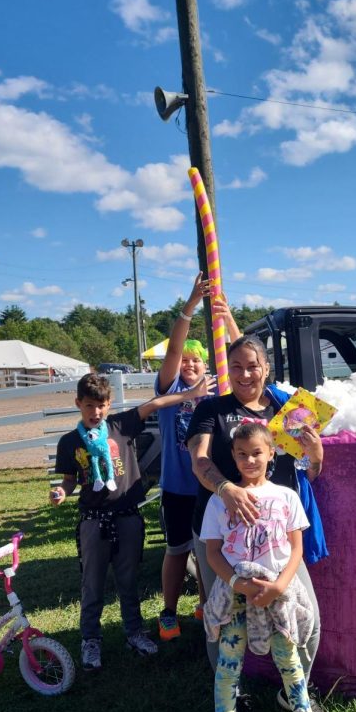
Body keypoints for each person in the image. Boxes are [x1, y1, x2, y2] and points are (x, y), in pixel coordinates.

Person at [187, 334, 327, 712]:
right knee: (223, 620)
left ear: (266, 368)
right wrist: (224, 488)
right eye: (237, 367)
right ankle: (236, 696)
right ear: (227, 371)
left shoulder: (291, 407)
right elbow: (199, 458)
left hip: (277, 538)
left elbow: (310, 470)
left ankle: (293, 691)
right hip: (221, 535)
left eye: (253, 366)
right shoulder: (212, 409)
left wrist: (316, 453)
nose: (245, 374)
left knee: (308, 617)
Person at [200, 423, 338, 712]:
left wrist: (278, 585)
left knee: (291, 663)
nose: (249, 460)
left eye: (256, 453)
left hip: (278, 598)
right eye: (242, 454)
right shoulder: (219, 502)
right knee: (229, 669)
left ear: (271, 452)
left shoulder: (287, 497)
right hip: (235, 599)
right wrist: (237, 583)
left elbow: (295, 549)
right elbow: (213, 553)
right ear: (232, 456)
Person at [51, 372, 189, 672]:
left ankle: (134, 632)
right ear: (78, 404)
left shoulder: (120, 426)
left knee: (128, 580)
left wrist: (188, 395)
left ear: (109, 404)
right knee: (93, 584)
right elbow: (70, 479)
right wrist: (63, 491)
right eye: (89, 405)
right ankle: (90, 639)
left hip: (127, 517)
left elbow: (154, 405)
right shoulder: (69, 442)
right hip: (93, 520)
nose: (95, 412)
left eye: (101, 405)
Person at [155, 273, 241, 641]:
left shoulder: (218, 396)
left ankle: (207, 607)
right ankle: (169, 611)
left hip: (212, 488)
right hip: (177, 487)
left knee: (210, 551)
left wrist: (227, 317)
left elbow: (245, 359)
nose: (188, 364)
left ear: (207, 366)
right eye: (184, 360)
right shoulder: (170, 390)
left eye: (196, 360)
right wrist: (190, 306)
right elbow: (172, 351)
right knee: (177, 550)